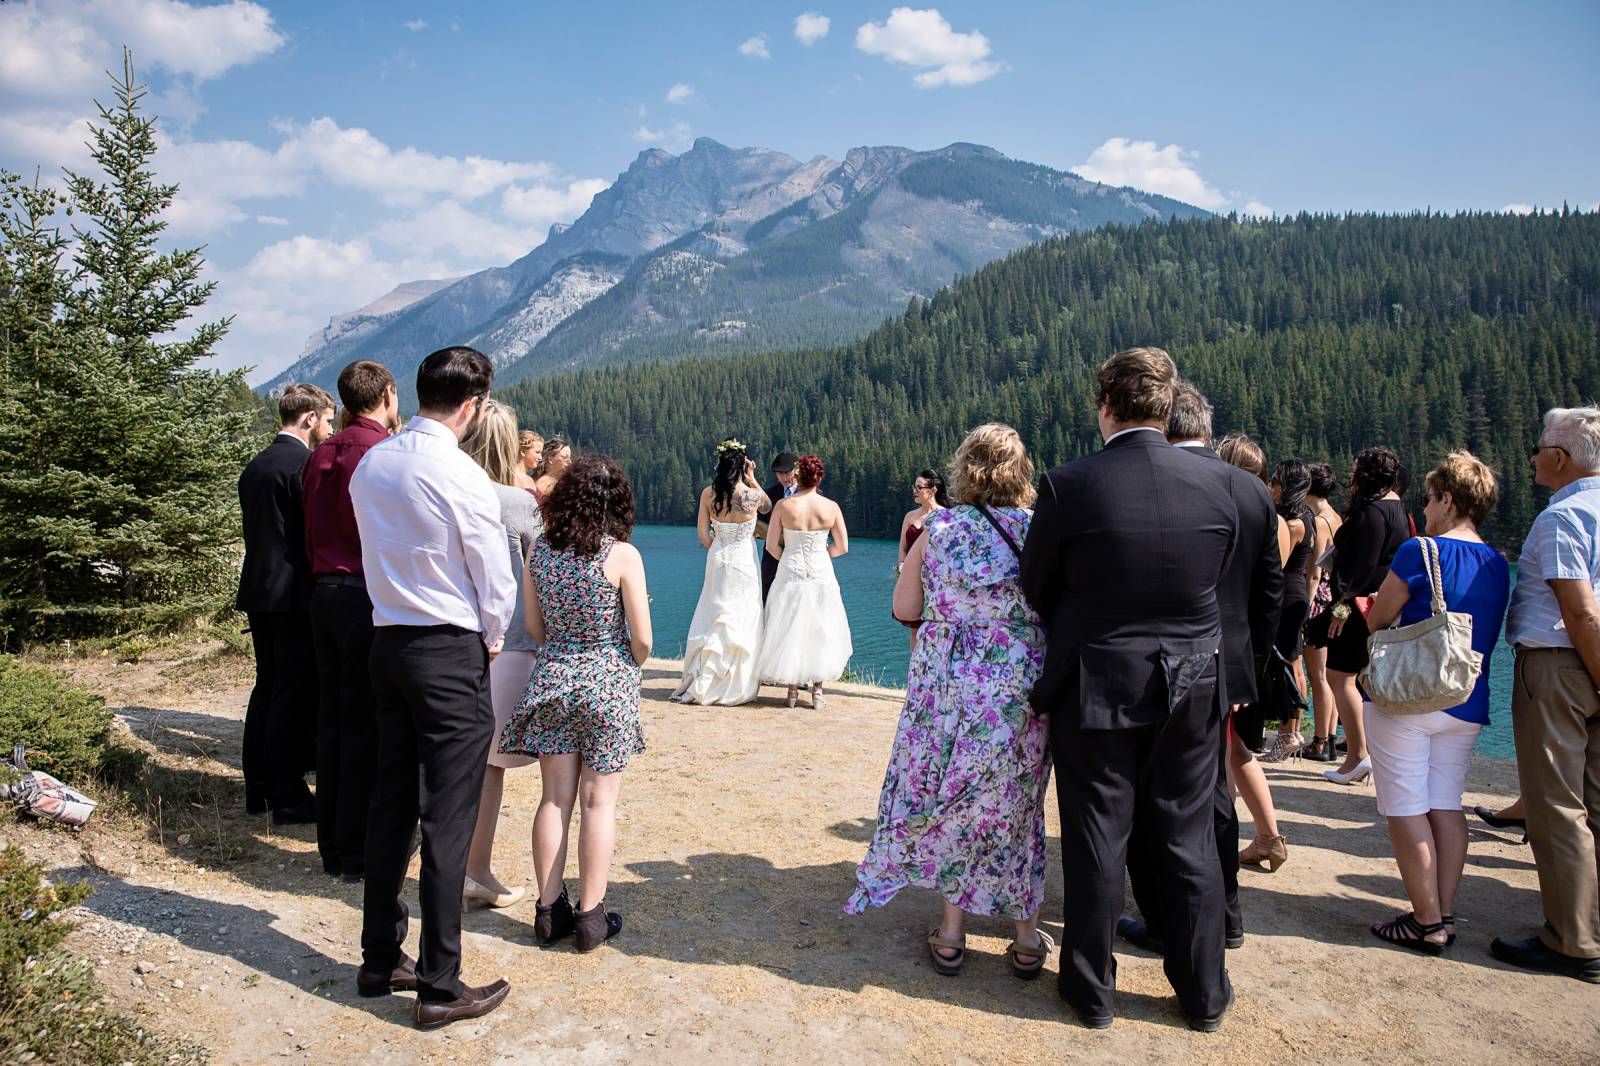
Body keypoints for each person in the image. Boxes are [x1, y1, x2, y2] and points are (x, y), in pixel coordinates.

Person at [1020, 347, 1239, 1032]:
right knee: (1186, 834)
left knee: (1096, 833)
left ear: (1105, 405)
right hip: (1196, 680)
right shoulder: (1220, 485)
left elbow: (1037, 584)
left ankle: (1091, 992)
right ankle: (1202, 994)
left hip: (1099, 676)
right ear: (1168, 406)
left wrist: (1088, 621)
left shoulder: (1069, 485)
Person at [846, 424, 1054, 980]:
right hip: (1018, 684)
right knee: (1017, 802)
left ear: (965, 468)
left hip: (948, 684)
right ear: (1021, 471)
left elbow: (904, 605)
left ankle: (953, 933)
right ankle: (1028, 935)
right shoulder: (1039, 529)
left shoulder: (937, 528)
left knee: (952, 799)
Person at [349, 346, 517, 1029]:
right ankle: (441, 985)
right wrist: (493, 636)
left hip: (386, 640)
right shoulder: (462, 474)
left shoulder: (372, 463)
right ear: (473, 406)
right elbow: (494, 579)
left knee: (391, 803)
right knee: (448, 818)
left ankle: (379, 955)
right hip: (447, 649)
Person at [1122, 388, 1282, 962]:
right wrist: (1249, 669)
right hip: (1231, 667)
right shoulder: (1252, 490)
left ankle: (1164, 919)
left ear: (1164, 424)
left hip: (1166, 665)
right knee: (1213, 795)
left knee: (1153, 795)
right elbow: (1269, 593)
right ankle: (1227, 915)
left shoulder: (1153, 480)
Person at [500, 454, 651, 954]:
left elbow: (537, 629)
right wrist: (620, 661)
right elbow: (644, 640)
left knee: (554, 800)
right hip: (607, 684)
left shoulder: (540, 551)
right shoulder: (622, 556)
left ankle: (548, 912)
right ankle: (591, 916)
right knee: (598, 801)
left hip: (552, 682)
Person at [1361, 451, 1510, 953]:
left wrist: (1366, 609)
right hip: (1467, 698)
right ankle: (1443, 910)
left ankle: (1425, 921)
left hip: (1410, 696)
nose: (1424, 508)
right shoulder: (1497, 563)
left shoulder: (1419, 551)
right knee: (1446, 805)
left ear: (1448, 500)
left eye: (1428, 498)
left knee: (1405, 806)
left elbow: (1379, 619)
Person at [1493, 408, 1600, 983]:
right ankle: (1592, 922)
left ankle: (1571, 940)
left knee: (1556, 804)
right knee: (1596, 801)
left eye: (1538, 448)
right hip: (1591, 663)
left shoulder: (1564, 517)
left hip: (1560, 666)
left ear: (1561, 457)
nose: (1532, 457)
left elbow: (1578, 608)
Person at [302, 361, 398, 878]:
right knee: (368, 723)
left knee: (333, 717)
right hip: (365, 594)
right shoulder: (381, 454)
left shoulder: (319, 453)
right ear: (387, 395)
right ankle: (360, 845)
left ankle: (332, 840)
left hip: (322, 594)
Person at [237, 382, 336, 823]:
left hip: (258, 589)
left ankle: (257, 785)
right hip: (293, 592)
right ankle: (287, 793)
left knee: (267, 687)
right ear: (310, 418)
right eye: (328, 420)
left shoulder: (256, 466)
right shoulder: (303, 466)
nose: (329, 430)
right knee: (292, 695)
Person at [459, 400, 542, 910]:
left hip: (450, 636)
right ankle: (475, 869)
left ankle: (455, 863)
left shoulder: (448, 491)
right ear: (508, 446)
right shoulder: (517, 502)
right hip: (510, 640)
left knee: (458, 759)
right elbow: (543, 564)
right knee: (489, 765)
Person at [1310, 448, 1410, 785]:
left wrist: (1339, 606)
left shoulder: (1372, 513)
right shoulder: (1398, 509)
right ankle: (1366, 754)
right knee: (1360, 679)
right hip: (1381, 605)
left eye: (1355, 469)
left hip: (1355, 609)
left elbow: (1361, 570)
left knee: (1340, 677)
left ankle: (1357, 755)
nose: (1350, 475)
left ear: (1366, 474)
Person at [673, 438, 771, 705]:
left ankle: (705, 676)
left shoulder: (708, 494)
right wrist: (752, 477)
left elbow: (703, 535)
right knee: (743, 615)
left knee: (713, 613)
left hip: (719, 557)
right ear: (742, 466)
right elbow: (768, 507)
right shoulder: (751, 495)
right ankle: (734, 682)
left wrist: (717, 548)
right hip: (743, 561)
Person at [756, 454, 853, 709]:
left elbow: (771, 546)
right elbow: (842, 547)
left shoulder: (784, 506)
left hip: (790, 570)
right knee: (820, 627)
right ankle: (818, 691)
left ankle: (791, 691)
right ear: (819, 477)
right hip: (820, 571)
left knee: (789, 624)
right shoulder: (830, 507)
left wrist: (790, 556)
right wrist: (821, 555)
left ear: (798, 476)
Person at [1259, 459, 1316, 763]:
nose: (1272, 487)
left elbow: (1275, 566)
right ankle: (1292, 732)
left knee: (1283, 666)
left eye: (1276, 481)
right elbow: (1311, 568)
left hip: (1283, 595)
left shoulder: (1289, 523)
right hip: (1298, 593)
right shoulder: (1309, 518)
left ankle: (1285, 735)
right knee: (1295, 665)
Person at [1300, 462, 1344, 762]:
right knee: (1326, 674)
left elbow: (1314, 572)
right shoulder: (1336, 517)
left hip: (1318, 600)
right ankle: (1328, 735)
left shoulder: (1318, 521)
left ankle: (1320, 741)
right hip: (1334, 600)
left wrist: (1306, 606)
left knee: (1317, 677)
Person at [896, 469, 950, 644]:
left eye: (919, 488)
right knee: (915, 630)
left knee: (938, 629)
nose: (915, 491)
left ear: (932, 490)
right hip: (913, 580)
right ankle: (913, 670)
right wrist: (903, 567)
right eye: (915, 486)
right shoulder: (910, 516)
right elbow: (902, 548)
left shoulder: (946, 516)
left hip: (936, 581)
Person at [756, 451, 799, 604]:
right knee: (768, 606)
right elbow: (758, 524)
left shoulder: (813, 494)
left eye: (787, 473)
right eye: (779, 474)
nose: (784, 478)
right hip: (771, 562)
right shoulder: (769, 494)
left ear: (797, 470)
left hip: (799, 562)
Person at [533, 437, 571, 504]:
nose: (570, 462)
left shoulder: (558, 482)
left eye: (569, 458)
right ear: (550, 459)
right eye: (565, 457)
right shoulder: (543, 485)